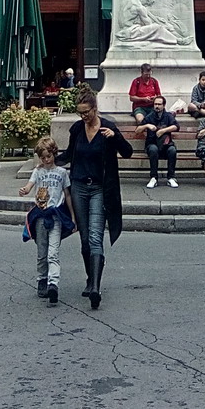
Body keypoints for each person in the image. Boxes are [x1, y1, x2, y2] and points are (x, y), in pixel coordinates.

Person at [56, 85, 133, 309]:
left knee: (95, 236)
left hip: (100, 188)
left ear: (95, 109)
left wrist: (115, 137)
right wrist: (49, 160)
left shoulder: (108, 128)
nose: (84, 117)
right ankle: (90, 278)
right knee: (84, 238)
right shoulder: (77, 129)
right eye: (80, 113)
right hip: (79, 187)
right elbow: (69, 154)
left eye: (87, 112)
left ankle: (96, 289)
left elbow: (127, 152)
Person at [18, 136, 75, 303]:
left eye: (48, 156)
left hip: (56, 215)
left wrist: (73, 217)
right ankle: (42, 279)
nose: (46, 160)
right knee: (42, 252)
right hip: (41, 216)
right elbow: (30, 185)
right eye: (42, 158)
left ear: (54, 154)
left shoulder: (62, 173)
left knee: (53, 253)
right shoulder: (38, 171)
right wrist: (25, 190)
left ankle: (53, 283)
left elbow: (67, 195)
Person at [135, 94, 179, 189]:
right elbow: (137, 130)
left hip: (166, 145)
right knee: (153, 149)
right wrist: (147, 126)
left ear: (164, 105)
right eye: (155, 104)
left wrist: (164, 130)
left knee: (172, 150)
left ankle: (171, 177)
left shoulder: (168, 116)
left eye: (159, 104)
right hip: (152, 144)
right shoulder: (149, 116)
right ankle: (153, 177)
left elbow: (176, 126)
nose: (157, 106)